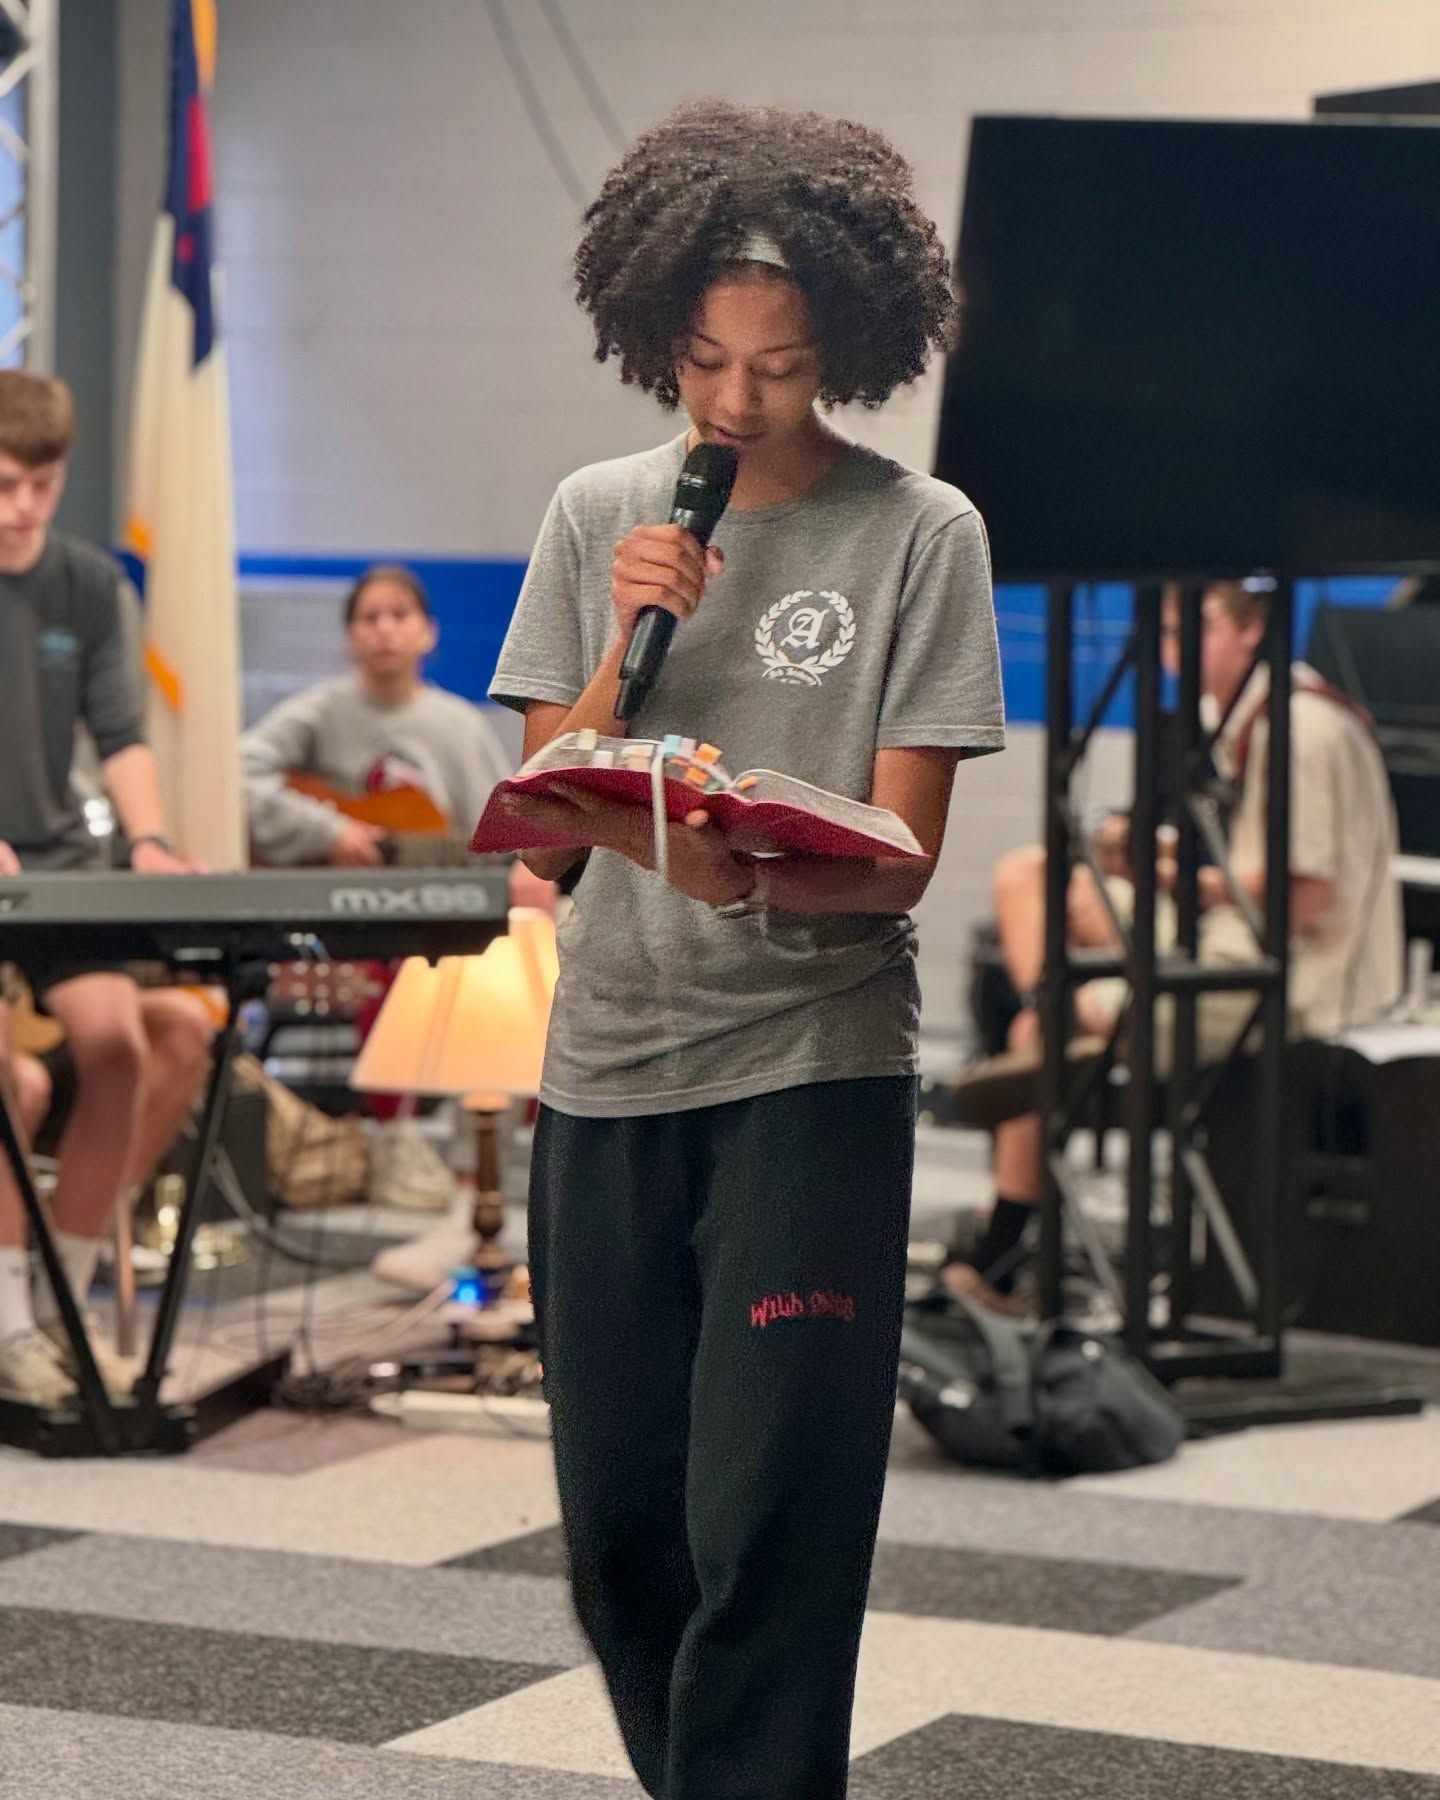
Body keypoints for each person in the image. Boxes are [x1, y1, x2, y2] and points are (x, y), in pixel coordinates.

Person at [490, 100, 1003, 1800]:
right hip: (611, 1066)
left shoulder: (922, 533)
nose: (731, 403)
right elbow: (542, 807)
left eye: (775, 369)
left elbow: (902, 860)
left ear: (842, 350)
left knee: (767, 1526)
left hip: (814, 1072)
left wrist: (754, 883)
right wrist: (628, 662)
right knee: (624, 1545)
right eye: (703, 362)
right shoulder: (597, 514)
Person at [946, 578, 1403, 1305]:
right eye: (1161, 634)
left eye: (1191, 629)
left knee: (1039, 1016)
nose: (1173, 651)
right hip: (1227, 936)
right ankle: (1060, 1016)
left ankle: (1007, 1229)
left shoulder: (1301, 729)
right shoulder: (1239, 716)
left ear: (1252, 628)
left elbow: (1306, 895)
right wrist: (1151, 856)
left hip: (1285, 975)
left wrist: (1176, 871)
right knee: (1031, 875)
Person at [0, 369, 213, 1406]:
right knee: (9, 1082)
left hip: (57, 870)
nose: (20, 508)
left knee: (119, 1047)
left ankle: (63, 1309)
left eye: (40, 485)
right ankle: (4, 1325)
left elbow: (122, 736)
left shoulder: (87, 586)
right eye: (1, 484)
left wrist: (151, 841)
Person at [241, 562, 548, 905]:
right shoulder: (317, 712)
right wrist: (328, 833)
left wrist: (527, 867)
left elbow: (505, 835)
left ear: (428, 632)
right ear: (350, 637)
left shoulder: (462, 726)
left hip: (438, 914)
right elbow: (238, 772)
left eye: (400, 614)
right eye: (370, 618)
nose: (385, 628)